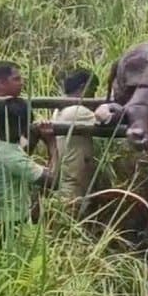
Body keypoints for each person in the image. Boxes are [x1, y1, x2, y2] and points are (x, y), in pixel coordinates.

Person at [0, 99, 58, 230]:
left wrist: (33, 135)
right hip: (11, 223)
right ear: (23, 128)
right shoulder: (11, 157)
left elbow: (20, 156)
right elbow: (53, 181)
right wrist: (51, 142)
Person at [51, 68, 103, 209]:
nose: (94, 95)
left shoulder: (61, 109)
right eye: (93, 90)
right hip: (73, 184)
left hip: (68, 179)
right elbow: (107, 121)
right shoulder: (77, 111)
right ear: (83, 87)